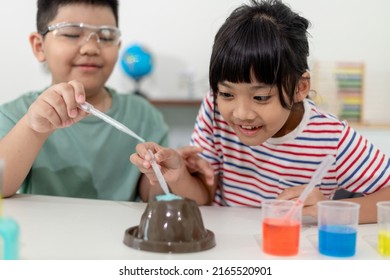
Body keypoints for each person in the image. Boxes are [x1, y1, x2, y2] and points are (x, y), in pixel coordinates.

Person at [130, 0, 390, 223]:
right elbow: (204, 197)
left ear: (300, 87)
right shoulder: (214, 109)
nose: (241, 113)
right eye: (227, 94)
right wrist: (179, 175)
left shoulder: (332, 137)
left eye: (261, 97)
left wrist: (330, 210)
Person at [0, 0, 170, 201]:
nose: (91, 48)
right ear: (39, 46)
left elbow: (154, 195)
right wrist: (32, 129)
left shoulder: (144, 115)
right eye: (71, 34)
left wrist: (174, 173)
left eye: (106, 37)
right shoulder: (15, 115)